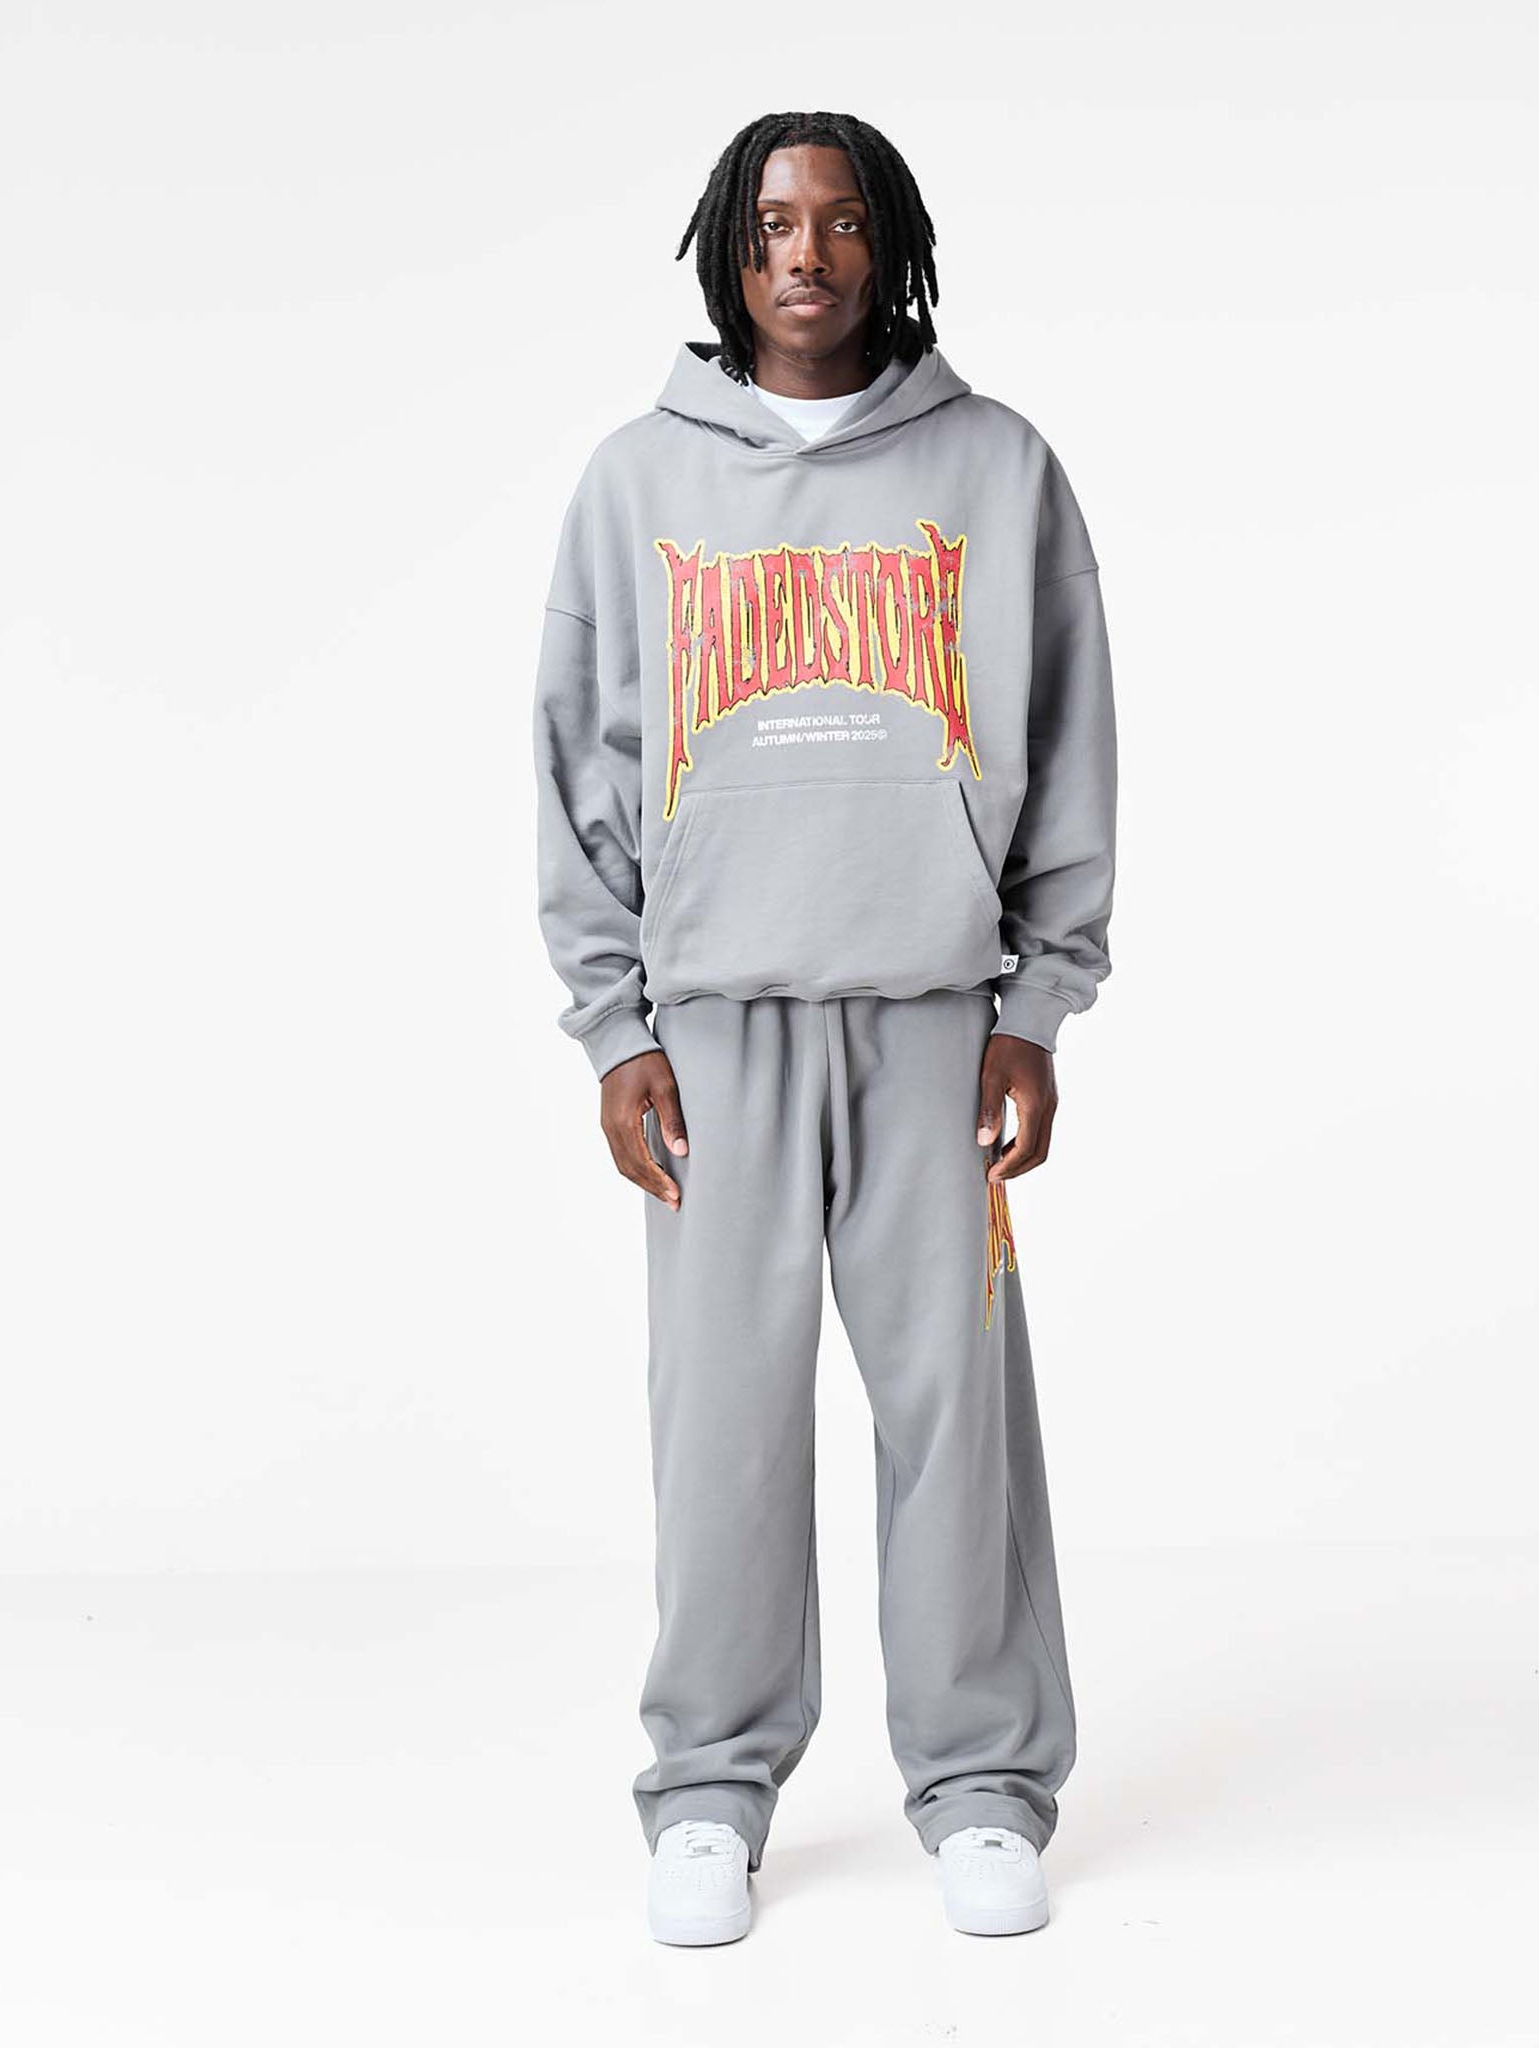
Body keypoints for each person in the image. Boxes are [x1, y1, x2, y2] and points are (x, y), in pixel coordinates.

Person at [531, 110, 1118, 1943]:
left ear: (892, 245)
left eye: (844, 221)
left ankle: (982, 1785)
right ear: (728, 249)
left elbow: (1070, 740)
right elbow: (580, 766)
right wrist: (616, 1028)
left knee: (957, 1418)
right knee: (722, 1424)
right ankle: (709, 1790)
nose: (808, 253)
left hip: (935, 1020)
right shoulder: (637, 482)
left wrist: (1038, 1003)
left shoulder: (997, 469)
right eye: (775, 222)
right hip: (716, 1032)